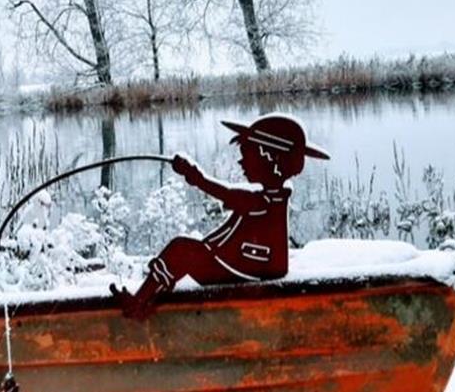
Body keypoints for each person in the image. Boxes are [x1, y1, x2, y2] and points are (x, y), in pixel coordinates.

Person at [111, 114, 330, 319]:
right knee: (186, 250)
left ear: (272, 160)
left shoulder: (266, 201)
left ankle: (139, 304)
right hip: (247, 266)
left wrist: (196, 177)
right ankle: (145, 299)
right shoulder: (268, 198)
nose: (241, 163)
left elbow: (229, 195)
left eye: (248, 156)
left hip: (249, 269)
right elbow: (233, 203)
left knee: (182, 250)